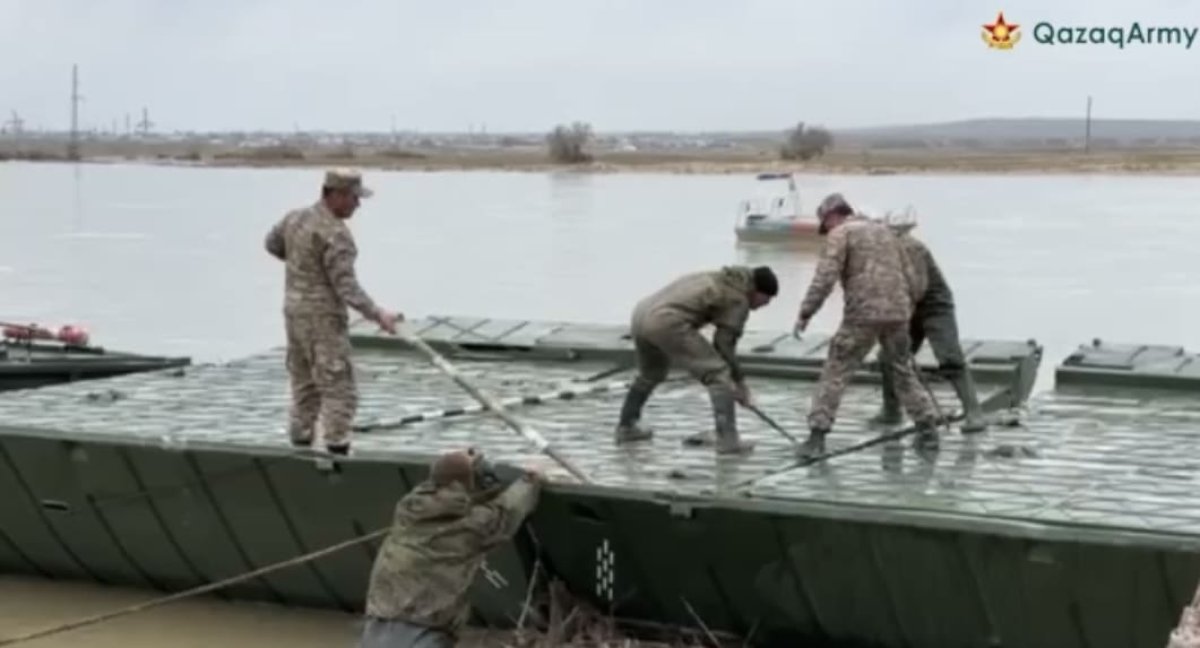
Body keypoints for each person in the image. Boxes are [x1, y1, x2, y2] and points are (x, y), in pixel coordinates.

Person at [793, 193, 940, 458]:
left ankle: (816, 438)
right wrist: (907, 306)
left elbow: (825, 277)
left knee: (836, 371)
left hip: (862, 315)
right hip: (899, 313)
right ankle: (928, 430)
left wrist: (806, 312)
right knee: (902, 370)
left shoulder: (841, 234)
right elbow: (913, 276)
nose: (826, 231)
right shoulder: (887, 233)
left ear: (831, 216)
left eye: (825, 225)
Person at [264, 168, 400, 456]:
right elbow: (346, 287)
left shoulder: (295, 218)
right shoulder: (336, 234)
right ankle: (337, 453)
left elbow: (272, 244)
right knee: (339, 388)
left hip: (294, 313)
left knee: (304, 385)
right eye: (353, 198)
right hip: (323, 319)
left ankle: (299, 446)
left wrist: (303, 267)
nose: (357, 205)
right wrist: (379, 315)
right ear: (335, 195)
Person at [359, 447, 544, 648]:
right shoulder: (471, 526)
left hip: (381, 617)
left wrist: (458, 463)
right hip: (427, 629)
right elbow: (507, 511)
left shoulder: (408, 510)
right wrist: (529, 480)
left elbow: (441, 488)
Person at [614, 265, 778, 455]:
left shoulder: (718, 278)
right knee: (718, 375)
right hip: (667, 321)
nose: (765, 305)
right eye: (766, 300)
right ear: (757, 291)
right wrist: (740, 384)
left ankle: (627, 427)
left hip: (641, 314)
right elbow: (723, 345)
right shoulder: (739, 298)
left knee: (651, 373)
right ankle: (728, 441)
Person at [871, 229, 986, 432]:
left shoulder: (910, 247)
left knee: (949, 357)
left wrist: (897, 315)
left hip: (934, 306)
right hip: (907, 307)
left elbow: (917, 286)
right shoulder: (872, 253)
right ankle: (891, 410)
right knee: (888, 357)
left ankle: (974, 413)